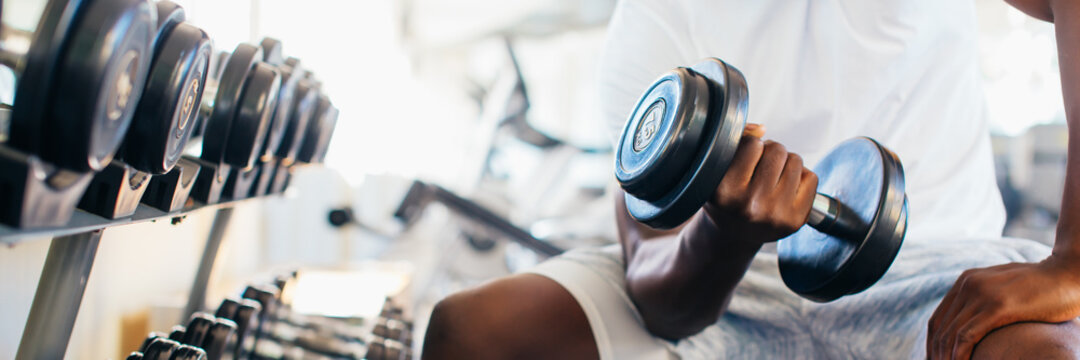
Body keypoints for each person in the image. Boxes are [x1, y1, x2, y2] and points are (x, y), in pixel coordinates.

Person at [421, 0, 1080, 358]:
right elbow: (662, 298)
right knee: (476, 332)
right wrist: (724, 234)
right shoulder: (651, 22)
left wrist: (1073, 259)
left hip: (935, 271)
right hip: (734, 295)